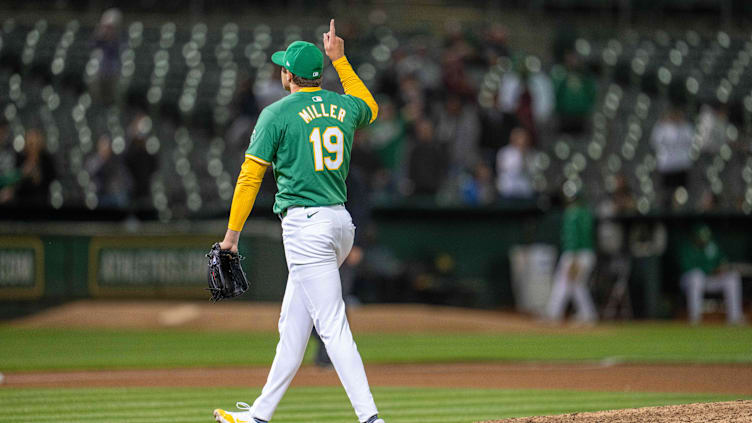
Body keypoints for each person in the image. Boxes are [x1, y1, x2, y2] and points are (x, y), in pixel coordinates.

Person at [212, 20, 385, 423]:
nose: (280, 72)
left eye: (283, 67)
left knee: (332, 326)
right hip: (340, 225)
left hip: (306, 228)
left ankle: (371, 419)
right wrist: (340, 61)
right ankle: (258, 416)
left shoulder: (276, 113)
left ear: (288, 74)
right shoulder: (343, 106)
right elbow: (371, 107)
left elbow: (250, 177)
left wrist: (231, 237)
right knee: (292, 325)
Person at [546, 190, 598, 323]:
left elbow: (573, 237)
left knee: (563, 283)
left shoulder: (573, 213)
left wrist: (574, 259)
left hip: (575, 253)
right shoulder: (587, 213)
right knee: (576, 285)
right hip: (587, 253)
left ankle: (553, 314)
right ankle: (587, 314)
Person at [679, 225, 744, 325]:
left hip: (710, 280)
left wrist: (723, 268)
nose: (703, 240)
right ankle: (695, 318)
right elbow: (687, 268)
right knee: (696, 276)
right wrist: (712, 270)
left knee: (732, 278)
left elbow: (723, 261)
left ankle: (734, 318)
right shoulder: (687, 248)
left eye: (705, 237)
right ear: (695, 236)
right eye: (701, 237)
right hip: (690, 281)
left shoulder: (712, 246)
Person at [650, 106, 693, 209]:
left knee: (682, 192)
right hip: (667, 166)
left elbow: (692, 140)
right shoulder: (662, 127)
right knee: (666, 192)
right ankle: (667, 208)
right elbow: (654, 141)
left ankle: (682, 209)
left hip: (681, 166)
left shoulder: (686, 127)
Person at [496, 127, 534, 200]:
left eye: (525, 138)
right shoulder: (504, 152)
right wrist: (521, 155)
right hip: (508, 190)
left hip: (525, 191)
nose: (523, 140)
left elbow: (532, 171)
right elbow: (508, 170)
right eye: (521, 137)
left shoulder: (530, 153)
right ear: (514, 138)